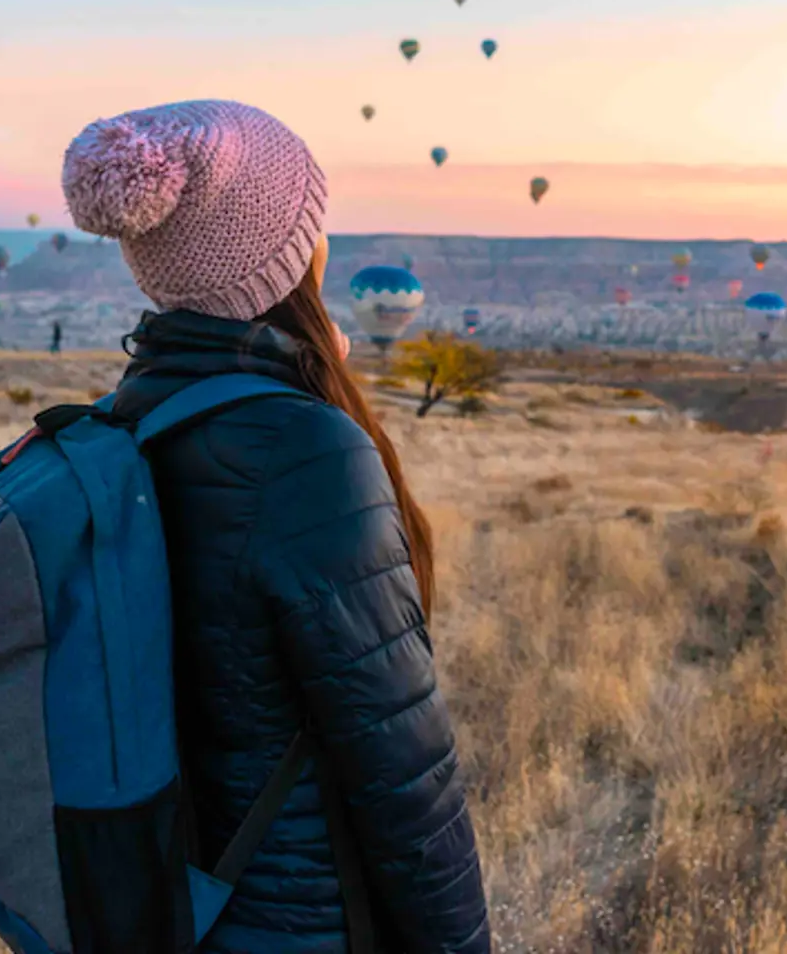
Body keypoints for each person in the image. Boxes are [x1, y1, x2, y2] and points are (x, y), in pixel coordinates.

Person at [61, 99, 490, 953]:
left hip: (174, 908)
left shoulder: (129, 418)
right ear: (289, 255)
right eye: (313, 221)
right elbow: (403, 770)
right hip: (299, 923)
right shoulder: (303, 451)